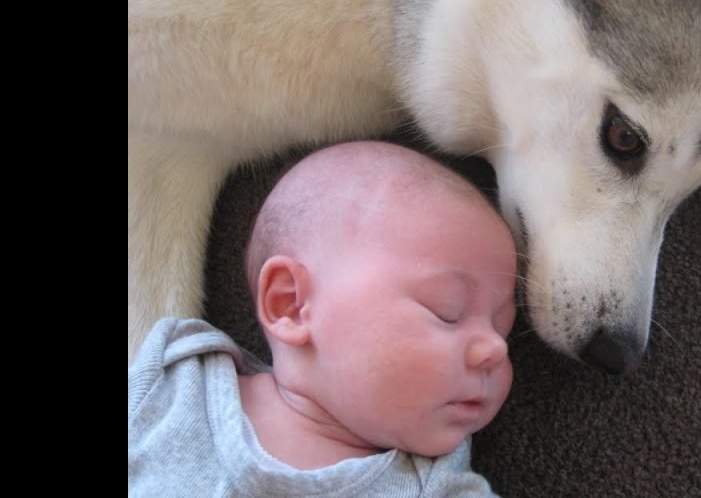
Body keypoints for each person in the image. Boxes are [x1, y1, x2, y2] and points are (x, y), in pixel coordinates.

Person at [128, 142, 517, 497]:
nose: (495, 348)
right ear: (291, 304)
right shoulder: (173, 382)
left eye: (503, 327)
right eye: (447, 311)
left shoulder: (436, 489)